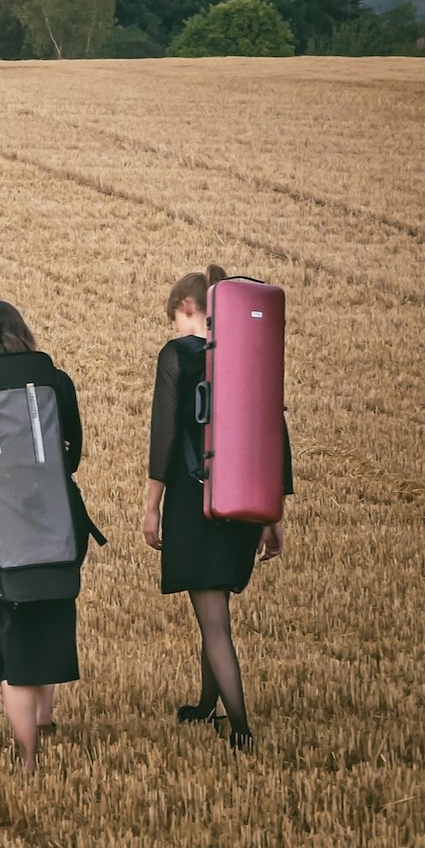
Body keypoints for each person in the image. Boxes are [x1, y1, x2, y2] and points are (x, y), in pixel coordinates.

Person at [147, 264, 290, 753]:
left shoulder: (177, 358)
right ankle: (206, 704)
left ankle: (241, 726)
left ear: (187, 309)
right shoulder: (247, 357)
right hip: (243, 502)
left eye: (175, 317)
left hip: (195, 504)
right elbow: (275, 433)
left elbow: (163, 438)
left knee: (214, 623)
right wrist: (271, 517)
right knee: (213, 609)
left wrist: (152, 508)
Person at [0, 300, 91, 774]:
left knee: (11, 635)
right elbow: (73, 453)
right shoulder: (58, 383)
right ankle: (46, 715)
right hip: (56, 520)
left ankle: (29, 760)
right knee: (48, 614)